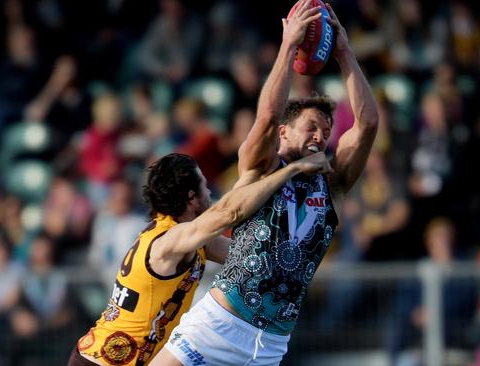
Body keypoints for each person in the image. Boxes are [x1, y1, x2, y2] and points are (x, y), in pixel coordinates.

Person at [153, 1, 379, 365]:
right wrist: (289, 46)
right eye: (311, 127)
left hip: (271, 343)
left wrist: (345, 52)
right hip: (218, 324)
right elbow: (268, 115)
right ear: (285, 133)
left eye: (326, 131)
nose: (320, 137)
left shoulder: (332, 185)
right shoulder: (260, 166)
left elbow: (367, 125)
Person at [68, 151, 331, 365]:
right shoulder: (170, 241)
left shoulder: (184, 238)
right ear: (192, 197)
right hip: (102, 362)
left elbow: (248, 255)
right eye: (205, 185)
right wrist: (291, 170)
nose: (209, 192)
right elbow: (228, 213)